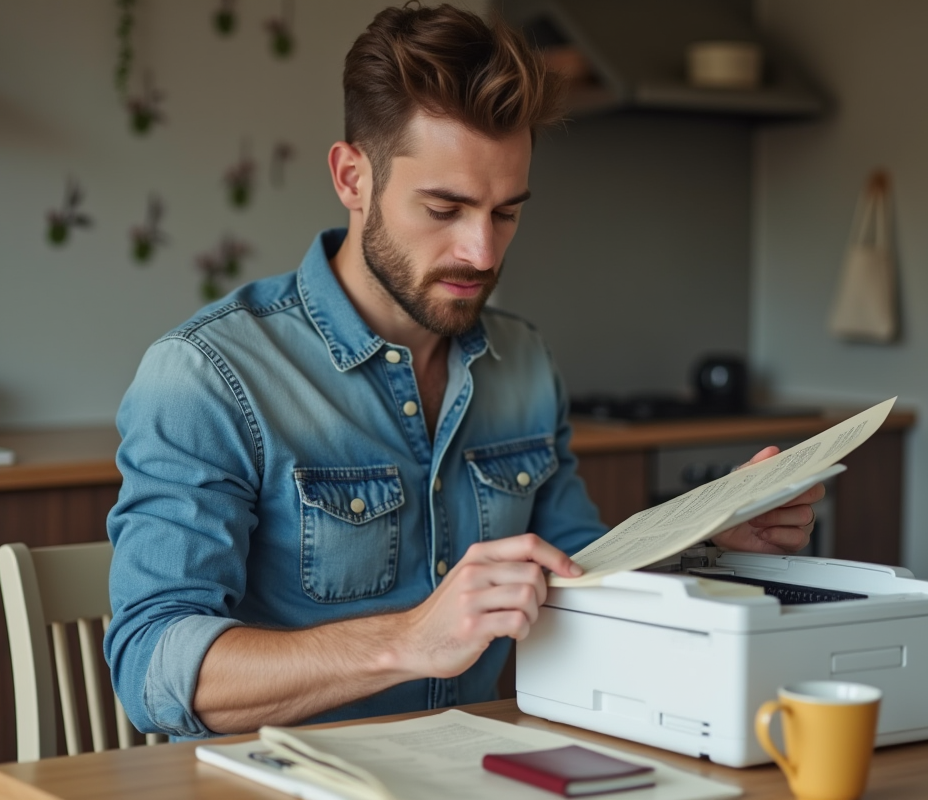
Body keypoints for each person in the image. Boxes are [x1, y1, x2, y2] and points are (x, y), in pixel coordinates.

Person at [104, 2, 822, 739]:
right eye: (444, 208)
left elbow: (581, 575)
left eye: (506, 212)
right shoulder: (207, 376)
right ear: (353, 178)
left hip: (470, 769)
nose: (483, 253)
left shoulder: (524, 363)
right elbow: (150, 667)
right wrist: (409, 639)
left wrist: (714, 543)